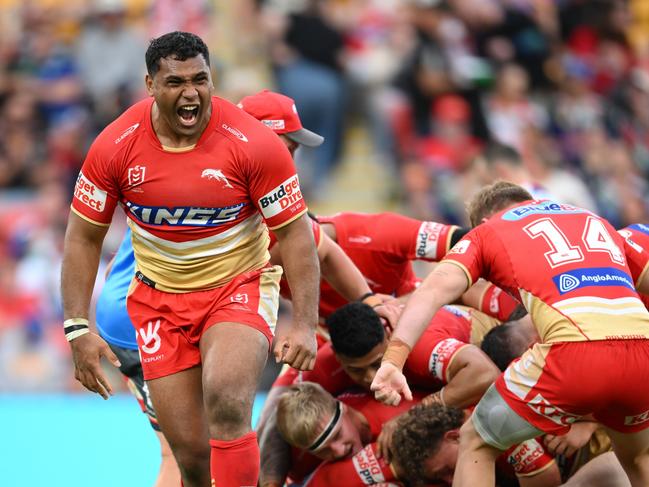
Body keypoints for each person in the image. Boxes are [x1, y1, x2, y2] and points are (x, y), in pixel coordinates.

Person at [62, 32, 320, 487]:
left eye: (200, 79)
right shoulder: (114, 145)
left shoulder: (253, 143)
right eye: (176, 82)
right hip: (158, 304)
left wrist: (302, 322)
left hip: (236, 288)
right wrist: (77, 327)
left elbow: (296, 234)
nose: (191, 93)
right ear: (149, 84)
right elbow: (83, 237)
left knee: (226, 401)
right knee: (192, 457)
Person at [94, 88, 382, 487]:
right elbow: (319, 248)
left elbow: (317, 246)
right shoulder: (246, 184)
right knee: (193, 450)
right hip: (145, 318)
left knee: (193, 446)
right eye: (288, 146)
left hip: (125, 311)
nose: (291, 160)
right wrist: (367, 304)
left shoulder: (208, 167)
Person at [371, 181, 649, 487]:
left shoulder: (490, 232)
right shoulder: (593, 219)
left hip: (574, 353)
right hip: (642, 356)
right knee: (638, 459)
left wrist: (394, 359)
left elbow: (434, 289)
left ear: (484, 222)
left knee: (476, 440)